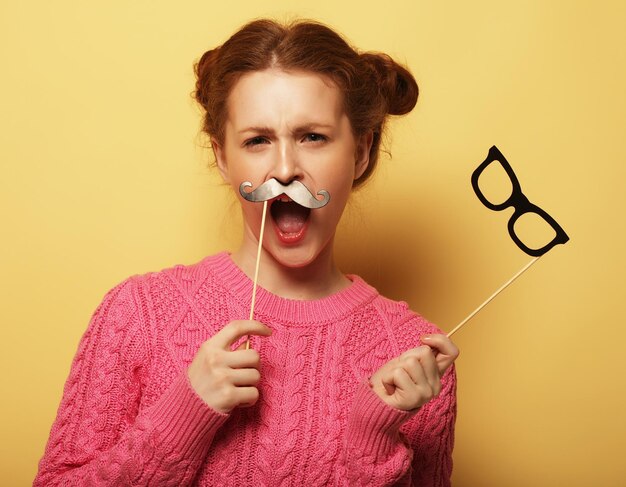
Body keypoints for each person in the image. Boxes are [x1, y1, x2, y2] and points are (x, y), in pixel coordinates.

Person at [34, 18, 460, 486]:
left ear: (360, 151)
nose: (284, 168)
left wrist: (374, 441)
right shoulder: (138, 313)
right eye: (258, 140)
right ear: (222, 156)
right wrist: (182, 418)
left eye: (312, 137)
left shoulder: (417, 361)